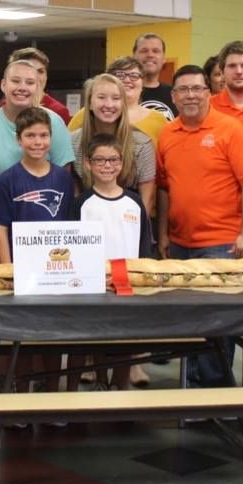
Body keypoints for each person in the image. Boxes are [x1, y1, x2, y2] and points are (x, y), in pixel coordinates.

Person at [156, 65, 243, 388]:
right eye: (183, 90)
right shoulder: (167, 134)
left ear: (208, 93)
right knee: (187, 318)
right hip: (179, 242)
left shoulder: (230, 130)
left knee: (217, 319)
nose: (190, 95)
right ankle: (192, 387)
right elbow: (164, 188)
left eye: (197, 89)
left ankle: (216, 391)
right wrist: (162, 233)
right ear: (173, 97)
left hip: (222, 243)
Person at [0, 106, 76, 399]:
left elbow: (67, 225)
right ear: (18, 140)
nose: (38, 142)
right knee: (22, 338)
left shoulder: (63, 179)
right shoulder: (8, 179)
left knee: (53, 337)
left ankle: (51, 395)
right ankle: (21, 395)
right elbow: (0, 227)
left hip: (56, 271)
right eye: (30, 136)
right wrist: (7, 268)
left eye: (43, 135)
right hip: (22, 273)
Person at [77, 133, 154, 390]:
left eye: (113, 160)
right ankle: (100, 381)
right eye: (100, 160)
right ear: (88, 164)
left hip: (128, 285)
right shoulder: (82, 204)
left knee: (125, 339)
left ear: (122, 163)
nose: (107, 166)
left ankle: (120, 386)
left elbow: (144, 243)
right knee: (97, 338)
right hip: (94, 285)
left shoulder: (134, 202)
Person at [0, 58, 74, 219]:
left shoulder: (55, 122)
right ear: (3, 85)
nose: (22, 88)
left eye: (30, 82)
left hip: (50, 222)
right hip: (4, 222)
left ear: (38, 87)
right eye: (15, 81)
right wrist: (6, 223)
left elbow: (63, 178)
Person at [70, 73, 156, 215]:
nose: (109, 104)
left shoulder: (142, 143)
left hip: (129, 223)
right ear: (90, 103)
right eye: (101, 97)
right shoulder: (74, 142)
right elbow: (75, 196)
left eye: (116, 98)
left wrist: (137, 232)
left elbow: (147, 199)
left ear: (123, 104)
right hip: (88, 224)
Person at [69, 56, 169, 143]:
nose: (127, 80)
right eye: (120, 75)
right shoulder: (85, 114)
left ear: (142, 83)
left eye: (134, 75)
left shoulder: (158, 119)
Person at [2, 46, 71, 124]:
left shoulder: (59, 111)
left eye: (40, 71)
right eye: (28, 71)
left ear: (46, 76)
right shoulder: (4, 105)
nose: (35, 76)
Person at [133, 33, 176, 119]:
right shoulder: (122, 93)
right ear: (134, 57)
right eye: (144, 51)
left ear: (164, 58)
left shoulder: (175, 95)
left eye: (156, 51)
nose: (150, 55)